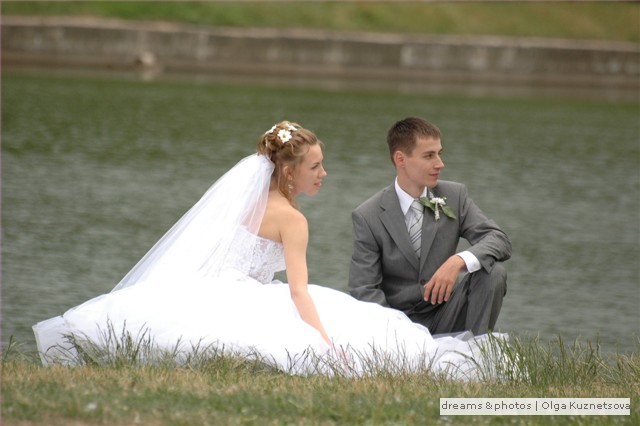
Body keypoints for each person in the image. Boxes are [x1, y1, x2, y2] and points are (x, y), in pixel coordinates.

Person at [33, 121, 506, 378]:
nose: (323, 174)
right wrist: (326, 344)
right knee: (355, 334)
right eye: (315, 167)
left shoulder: (244, 202)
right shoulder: (292, 220)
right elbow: (299, 293)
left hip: (208, 289)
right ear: (288, 171)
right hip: (255, 295)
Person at [349, 117, 512, 336]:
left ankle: (475, 349)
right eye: (429, 156)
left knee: (493, 273)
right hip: (397, 327)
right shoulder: (368, 216)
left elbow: (498, 239)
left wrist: (458, 261)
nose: (440, 163)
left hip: (448, 314)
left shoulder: (455, 196)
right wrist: (400, 334)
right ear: (400, 159)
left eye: (439, 153)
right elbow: (364, 289)